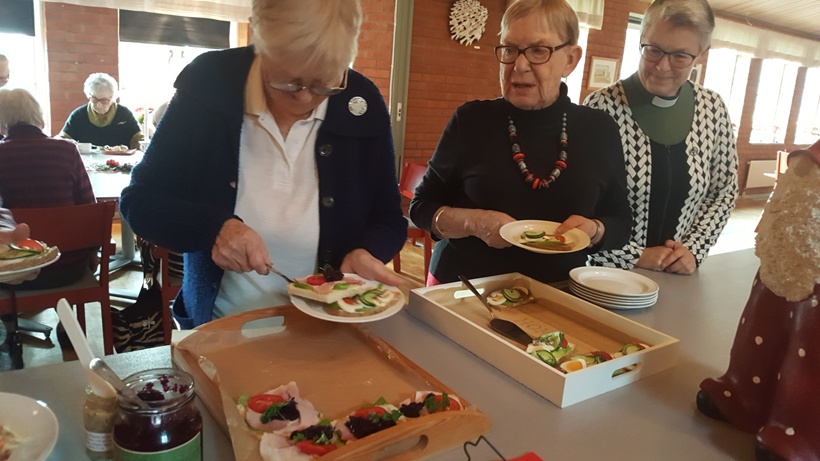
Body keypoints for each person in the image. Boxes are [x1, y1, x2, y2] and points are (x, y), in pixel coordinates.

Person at [119, 0, 407, 329]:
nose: (306, 98)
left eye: (324, 84)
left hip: (329, 331)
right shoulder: (209, 85)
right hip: (220, 328)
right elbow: (139, 201)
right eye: (290, 82)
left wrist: (368, 251)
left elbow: (388, 217)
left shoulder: (362, 102)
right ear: (259, 41)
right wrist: (214, 228)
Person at [409, 0, 632, 286]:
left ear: (570, 59)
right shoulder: (471, 120)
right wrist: (473, 223)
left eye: (538, 50)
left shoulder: (599, 129)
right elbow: (421, 207)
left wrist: (595, 230)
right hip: (464, 289)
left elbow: (621, 222)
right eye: (510, 49)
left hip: (559, 293)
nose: (520, 65)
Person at [584, 0, 738, 275]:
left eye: (680, 56)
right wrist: (634, 256)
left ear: (701, 55)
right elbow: (581, 203)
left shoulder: (713, 109)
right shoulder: (601, 107)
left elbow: (723, 191)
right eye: (653, 50)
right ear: (641, 38)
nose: (662, 66)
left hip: (678, 273)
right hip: (605, 273)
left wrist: (693, 249)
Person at [696, 141, 820, 460]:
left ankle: (801, 432)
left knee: (812, 353)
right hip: (783, 256)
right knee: (761, 324)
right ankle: (745, 394)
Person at [0, 88, 97, 288]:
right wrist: (93, 252)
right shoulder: (67, 150)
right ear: (38, 116)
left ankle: (13, 310)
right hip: (69, 266)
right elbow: (89, 209)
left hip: (13, 273)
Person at [58, 73, 144, 149]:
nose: (98, 105)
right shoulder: (78, 115)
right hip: (87, 161)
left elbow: (139, 139)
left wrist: (140, 145)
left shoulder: (124, 114)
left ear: (113, 98)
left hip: (120, 160)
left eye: (104, 101)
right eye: (94, 99)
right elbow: (62, 141)